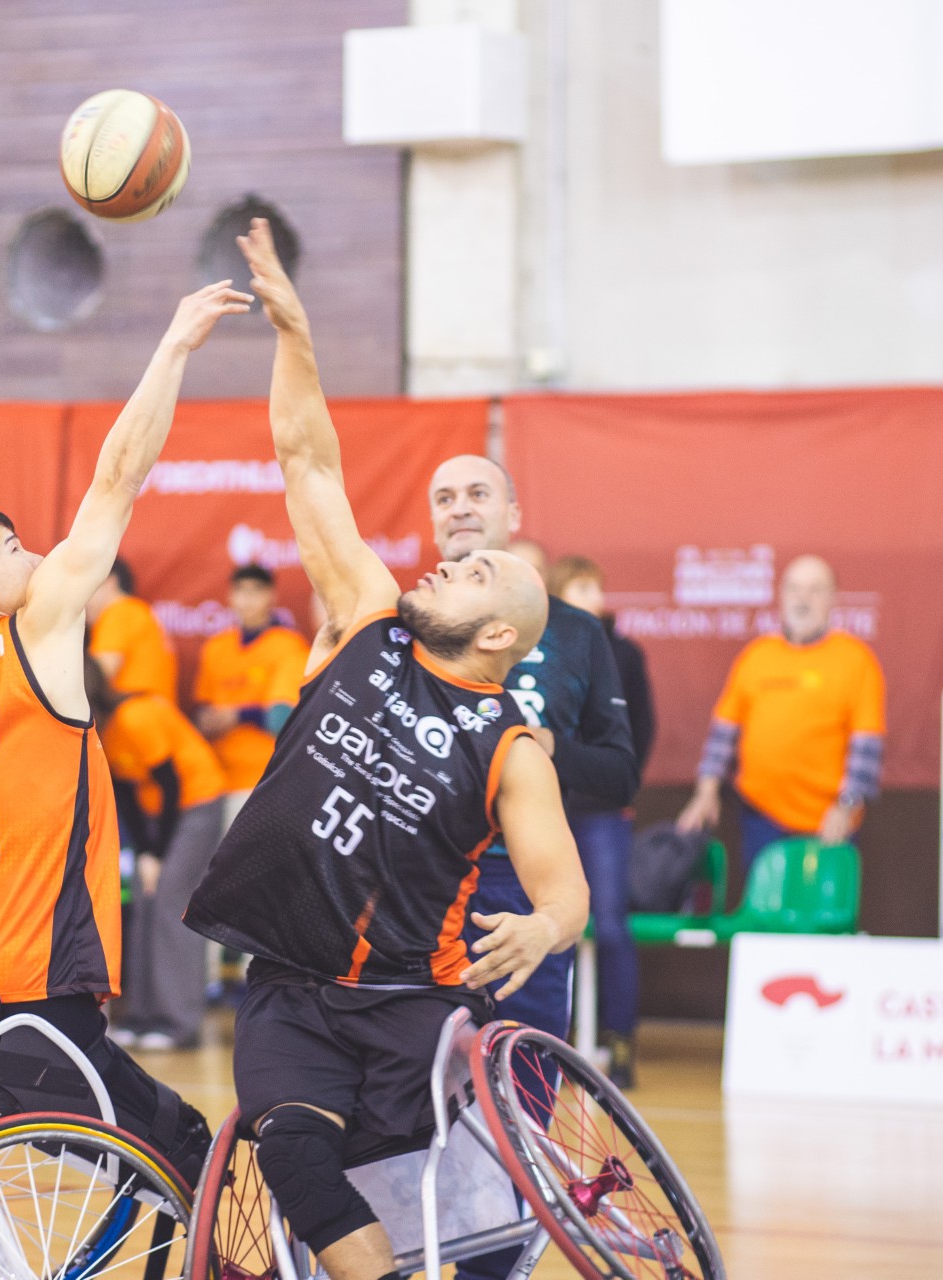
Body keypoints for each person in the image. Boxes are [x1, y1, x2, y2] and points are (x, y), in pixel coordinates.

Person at [181, 220, 588, 1280]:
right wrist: (296, 333)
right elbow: (307, 460)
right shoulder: (366, 619)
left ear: (496, 634)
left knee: (442, 1202)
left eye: (474, 575)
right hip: (289, 980)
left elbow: (566, 890)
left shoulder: (513, 747)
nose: (447, 564)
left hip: (412, 999)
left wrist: (544, 925)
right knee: (296, 1160)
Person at [0, 277, 251, 1184]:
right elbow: (118, 479)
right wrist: (174, 347)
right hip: (40, 986)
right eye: (17, 548)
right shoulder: (37, 632)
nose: (37, 556)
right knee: (193, 1148)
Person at [426, 458, 636, 1280]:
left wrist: (547, 747)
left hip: (522, 892)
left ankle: (491, 1267)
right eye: (445, 497)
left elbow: (620, 771)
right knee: (406, 1106)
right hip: (418, 891)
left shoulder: (577, 633)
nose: (461, 508)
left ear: (514, 512)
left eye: (478, 493)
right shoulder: (407, 617)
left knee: (519, 1104)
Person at [677, 554, 886, 863]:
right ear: (781, 595)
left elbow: (866, 750)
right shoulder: (757, 656)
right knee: (761, 895)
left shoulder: (856, 660)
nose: (803, 599)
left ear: (833, 598)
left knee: (820, 895)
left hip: (827, 822)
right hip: (760, 815)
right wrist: (706, 793)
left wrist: (846, 807)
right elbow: (722, 736)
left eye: (815, 590)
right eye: (794, 588)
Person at [547, 554, 656, 1086]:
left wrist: (615, 781)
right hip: (549, 808)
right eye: (580, 588)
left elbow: (642, 729)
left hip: (604, 812)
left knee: (611, 926)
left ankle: (620, 1039)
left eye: (596, 587)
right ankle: (552, 1037)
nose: (593, 597)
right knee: (549, 924)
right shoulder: (538, 648)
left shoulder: (624, 653)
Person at [87, 659, 227, 1052]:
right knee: (142, 903)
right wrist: (146, 851)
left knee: (170, 904)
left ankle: (178, 1023)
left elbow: (171, 785)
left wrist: (158, 855)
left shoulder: (136, 717)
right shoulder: (100, 731)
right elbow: (126, 793)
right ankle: (141, 1016)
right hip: (154, 817)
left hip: (195, 805)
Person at [191, 563, 311, 828]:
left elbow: (282, 719)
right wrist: (208, 721)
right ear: (230, 596)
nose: (247, 599)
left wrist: (238, 715)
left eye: (256, 590)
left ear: (271, 596)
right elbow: (202, 710)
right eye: (240, 591)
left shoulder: (288, 645)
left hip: (264, 779)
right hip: (216, 783)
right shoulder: (216, 647)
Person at [87, 557, 178, 701]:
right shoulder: (137, 611)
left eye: (85, 586)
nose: (81, 599)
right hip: (152, 708)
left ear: (109, 582)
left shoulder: (119, 611)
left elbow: (101, 670)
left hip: (135, 710)